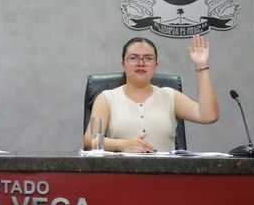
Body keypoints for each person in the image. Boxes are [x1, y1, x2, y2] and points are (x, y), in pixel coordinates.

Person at [83, 34, 219, 152]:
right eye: (133, 58)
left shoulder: (170, 97)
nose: (141, 63)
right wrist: (123, 145)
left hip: (165, 176)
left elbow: (209, 116)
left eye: (148, 58)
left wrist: (202, 67)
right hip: (121, 175)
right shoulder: (106, 98)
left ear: (155, 65)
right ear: (123, 64)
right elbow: (91, 140)